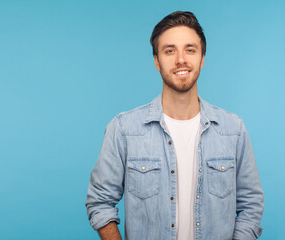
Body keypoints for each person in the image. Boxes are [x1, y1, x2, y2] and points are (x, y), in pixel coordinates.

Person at [86, 11, 264, 240]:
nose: (181, 59)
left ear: (202, 59)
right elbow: (100, 202)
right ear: (156, 61)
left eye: (190, 49)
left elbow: (251, 204)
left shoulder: (233, 129)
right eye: (170, 50)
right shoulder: (123, 129)